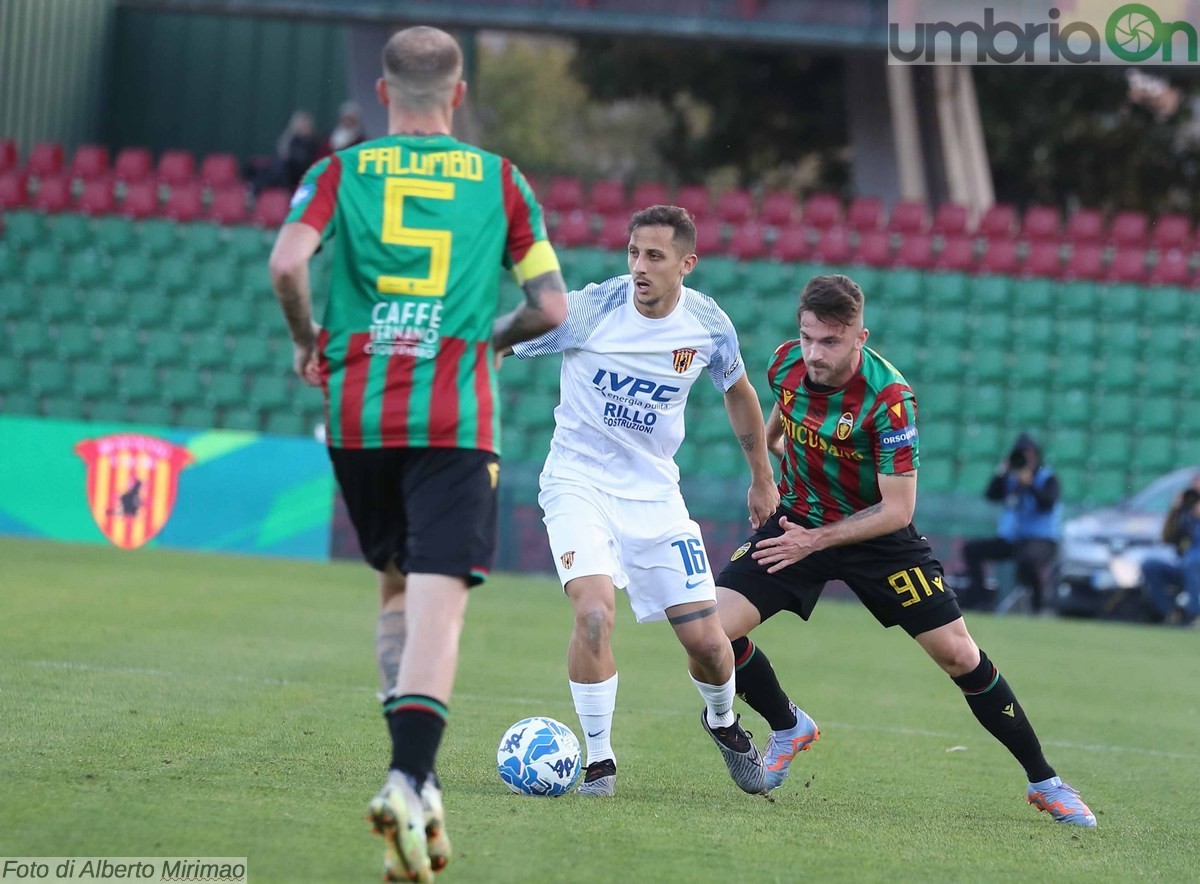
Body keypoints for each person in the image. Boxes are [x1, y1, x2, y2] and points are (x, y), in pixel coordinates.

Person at [268, 26, 567, 883]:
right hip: (452, 422)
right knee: (441, 606)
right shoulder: (502, 182)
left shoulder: (338, 171)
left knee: (395, 584)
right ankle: (407, 778)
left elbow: (288, 263)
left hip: (358, 417)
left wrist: (306, 342)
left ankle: (424, 784)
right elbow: (550, 307)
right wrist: (492, 341)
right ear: (460, 94)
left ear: (385, 97)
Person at [714, 274, 1097, 827]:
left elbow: (898, 510)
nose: (814, 354)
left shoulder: (889, 400)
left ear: (859, 338)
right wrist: (767, 474)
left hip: (877, 539)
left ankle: (1046, 781)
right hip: (798, 519)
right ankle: (787, 724)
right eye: (807, 338)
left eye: (830, 342)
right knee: (710, 631)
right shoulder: (785, 365)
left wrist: (814, 539)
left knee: (959, 655)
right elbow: (780, 421)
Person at [505, 205, 779, 798]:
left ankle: (724, 723)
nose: (639, 267)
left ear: (687, 263)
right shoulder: (589, 311)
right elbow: (504, 341)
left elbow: (738, 391)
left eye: (654, 256)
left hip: (655, 497)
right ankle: (599, 763)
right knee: (594, 614)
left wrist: (761, 476)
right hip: (577, 482)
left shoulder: (708, 325)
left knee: (709, 645)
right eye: (633, 253)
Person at [960, 433, 1062, 614]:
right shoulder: (1010, 479)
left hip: (1041, 540)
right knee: (972, 550)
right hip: (1013, 539)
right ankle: (980, 599)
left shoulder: (1048, 478)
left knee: (1028, 559)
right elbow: (991, 494)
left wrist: (1030, 484)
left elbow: (1047, 503)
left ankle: (1039, 606)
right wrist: (1003, 469)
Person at [1140, 473, 1200, 626]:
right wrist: (1175, 510)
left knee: (1192, 564)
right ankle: (1170, 612)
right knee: (1150, 565)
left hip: (1193, 566)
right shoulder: (1186, 515)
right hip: (1184, 566)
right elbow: (1167, 538)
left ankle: (1195, 616)